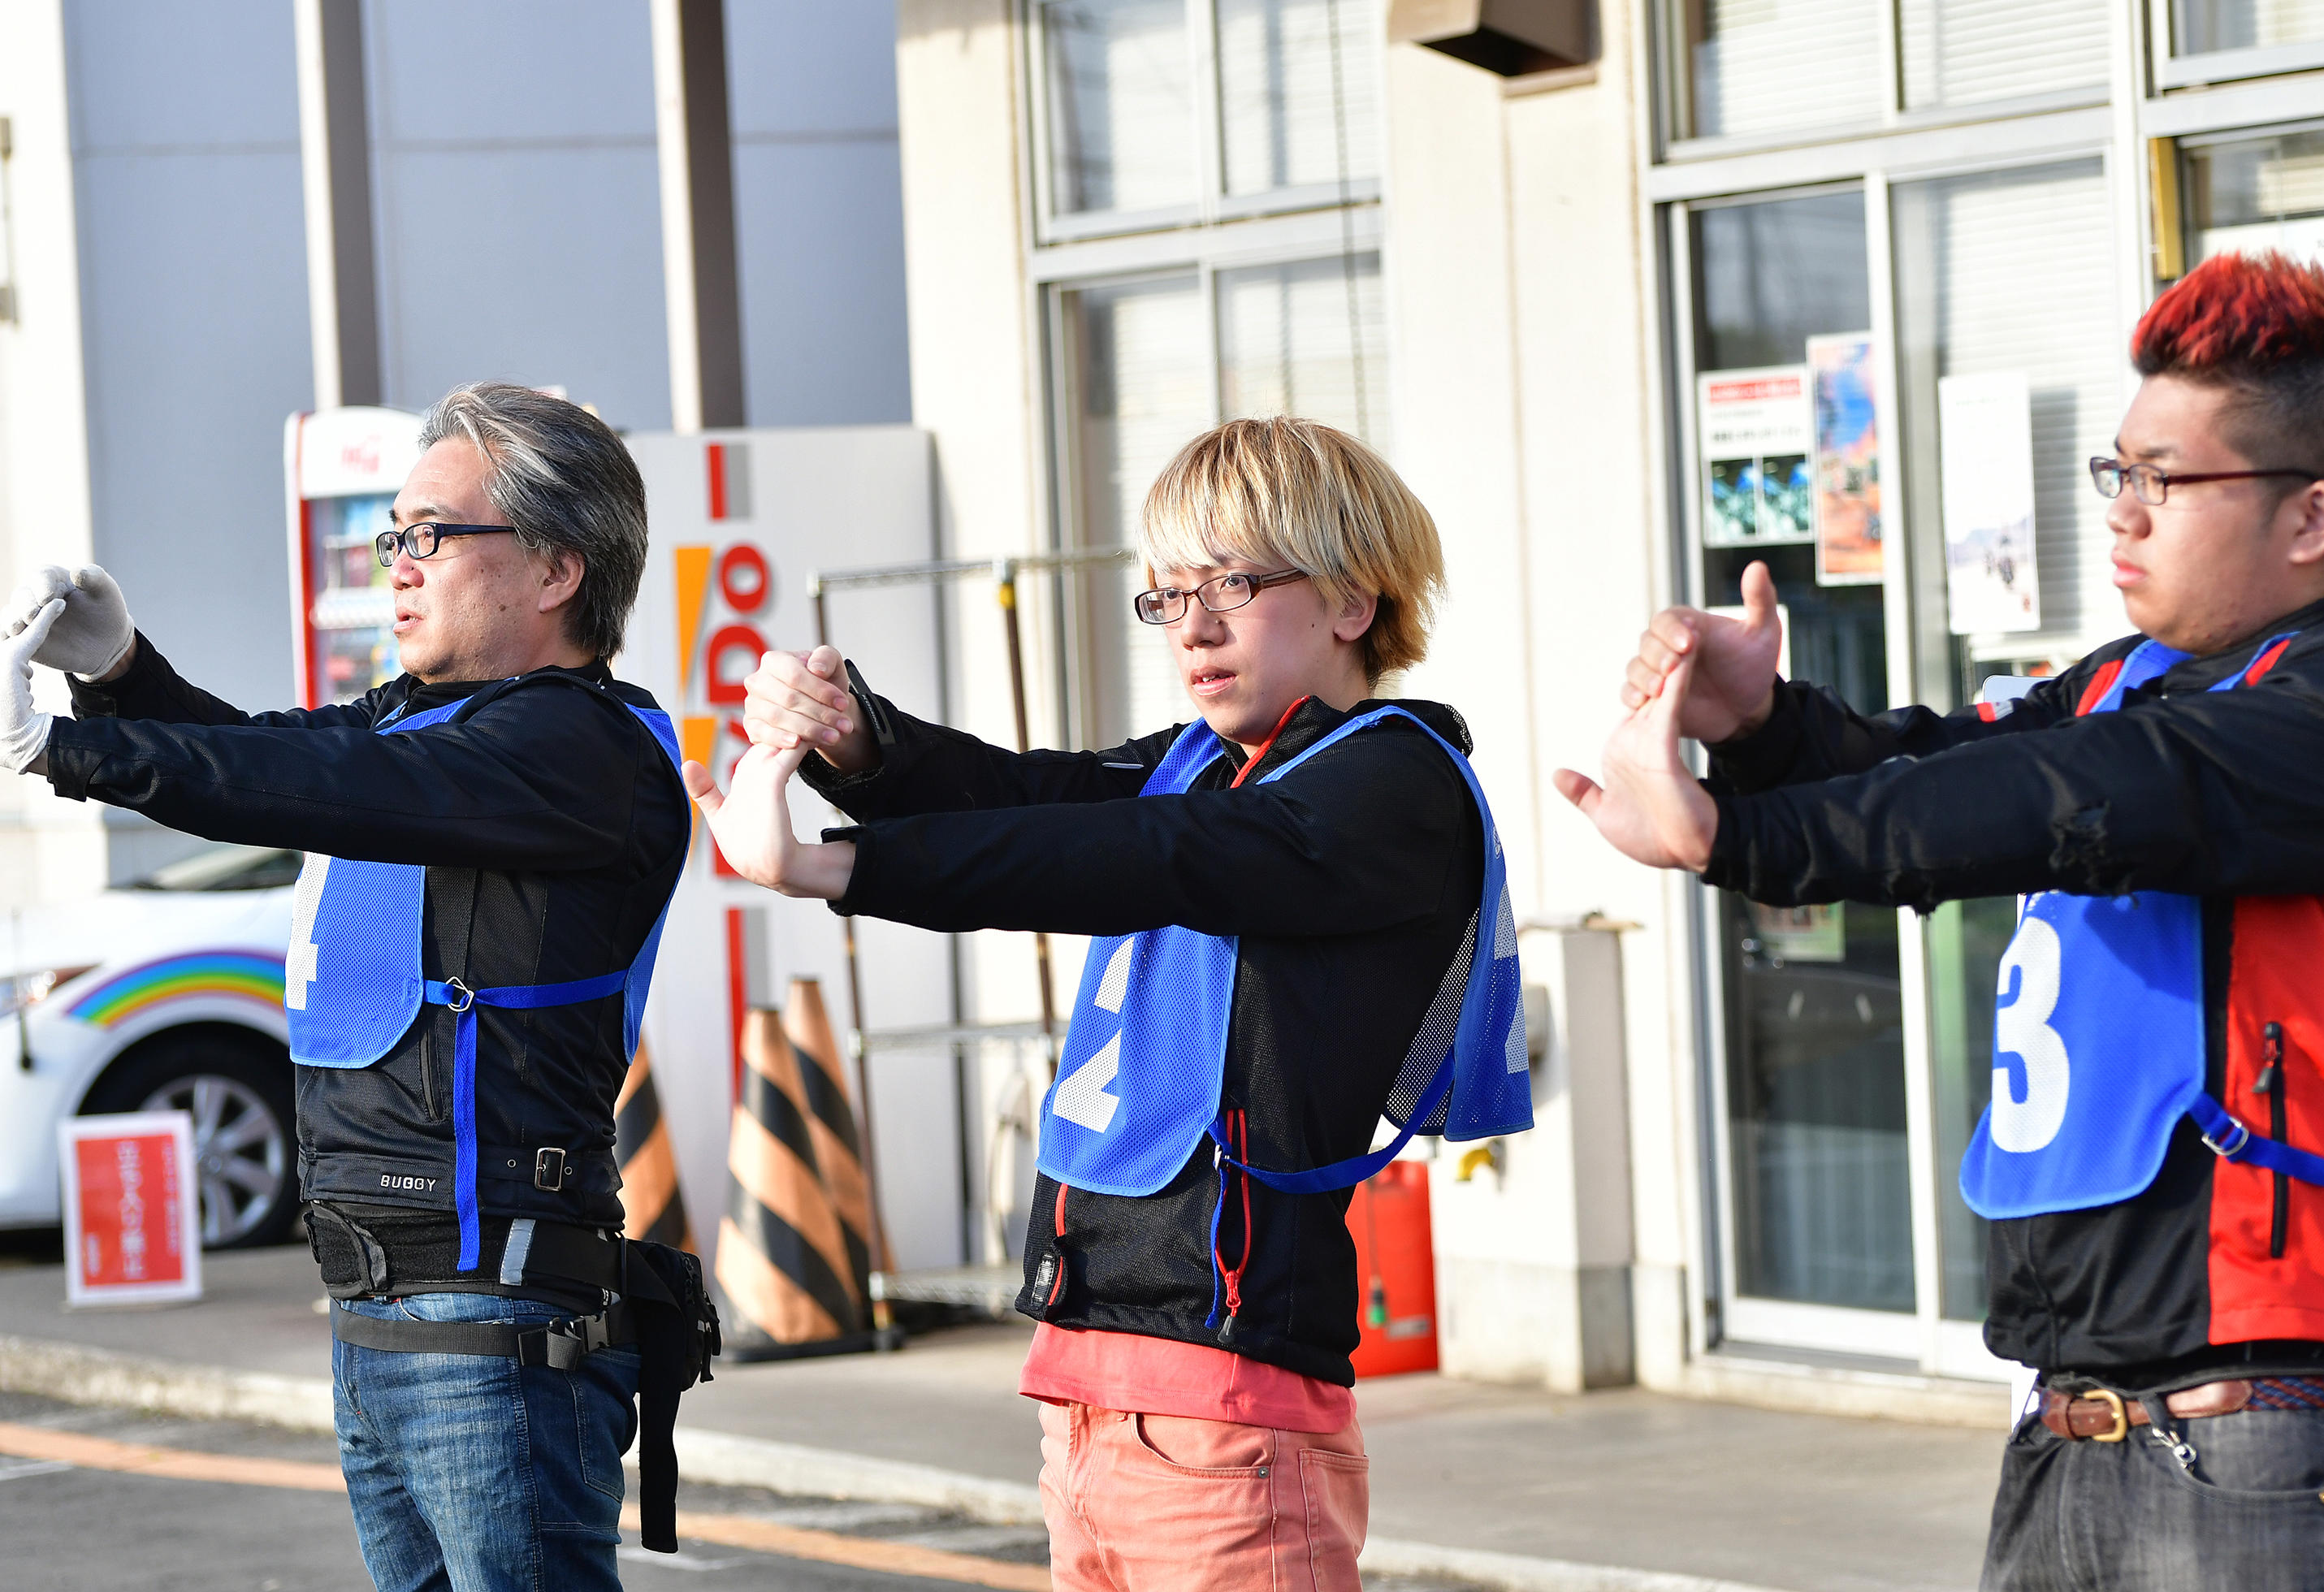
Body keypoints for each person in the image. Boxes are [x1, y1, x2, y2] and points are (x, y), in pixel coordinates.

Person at [1563, 249, 2324, 1590]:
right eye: (2117, 473)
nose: (2124, 516)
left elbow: (2100, 794)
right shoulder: (2135, 682)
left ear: (2314, 516)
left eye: (2166, 479)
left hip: (2280, 1442)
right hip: (2070, 1425)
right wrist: (1763, 724)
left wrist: (1744, 841)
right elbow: (1944, 764)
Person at [687, 416, 1530, 1592]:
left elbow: (1153, 853)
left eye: (1231, 584)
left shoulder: (1390, 783)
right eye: (1167, 595)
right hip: (1085, 1393)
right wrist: (859, 743)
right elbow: (1031, 796)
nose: (1192, 627)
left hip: (1232, 1416)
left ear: (1351, 600)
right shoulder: (1204, 762)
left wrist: (835, 868)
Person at [1, 383, 701, 1591]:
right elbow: (282, 759)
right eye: (393, 536)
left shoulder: (579, 753)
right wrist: (119, 675)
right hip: (383, 1305)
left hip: (494, 1320)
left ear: (554, 571)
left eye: (433, 534)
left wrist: (69, 751)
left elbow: (312, 784)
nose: (400, 564)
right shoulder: (435, 727)